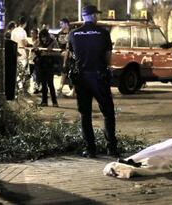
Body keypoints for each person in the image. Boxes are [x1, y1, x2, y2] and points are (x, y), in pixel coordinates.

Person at [68, 5, 119, 158]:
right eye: (96, 14)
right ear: (93, 16)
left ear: (83, 17)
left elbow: (72, 56)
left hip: (81, 78)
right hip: (98, 77)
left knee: (85, 114)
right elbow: (108, 58)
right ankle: (112, 148)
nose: (98, 17)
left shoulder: (73, 34)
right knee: (108, 113)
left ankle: (90, 149)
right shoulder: (103, 33)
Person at [34, 29, 59, 107]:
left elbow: (57, 53)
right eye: (41, 37)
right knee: (43, 84)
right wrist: (37, 51)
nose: (43, 39)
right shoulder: (38, 42)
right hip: (41, 65)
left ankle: (54, 102)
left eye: (44, 37)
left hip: (49, 65)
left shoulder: (53, 41)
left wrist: (50, 52)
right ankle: (44, 101)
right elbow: (35, 51)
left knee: (50, 84)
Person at [56, 18, 76, 97]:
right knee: (64, 72)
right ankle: (60, 89)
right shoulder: (60, 33)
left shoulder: (72, 32)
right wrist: (61, 52)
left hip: (72, 57)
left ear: (66, 23)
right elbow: (58, 45)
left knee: (73, 73)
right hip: (64, 57)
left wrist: (71, 52)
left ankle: (73, 91)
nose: (60, 25)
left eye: (62, 24)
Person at [11, 16, 30, 93]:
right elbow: (24, 42)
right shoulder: (22, 31)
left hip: (14, 52)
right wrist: (29, 45)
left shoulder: (14, 30)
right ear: (25, 23)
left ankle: (17, 87)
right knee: (22, 71)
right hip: (22, 53)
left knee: (16, 71)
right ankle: (21, 87)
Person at [28, 28, 41, 94]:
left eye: (33, 33)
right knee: (29, 74)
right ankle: (27, 87)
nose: (32, 34)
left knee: (36, 75)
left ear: (36, 34)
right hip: (30, 60)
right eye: (31, 33)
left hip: (36, 60)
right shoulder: (29, 40)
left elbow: (36, 48)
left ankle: (36, 88)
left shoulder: (38, 41)